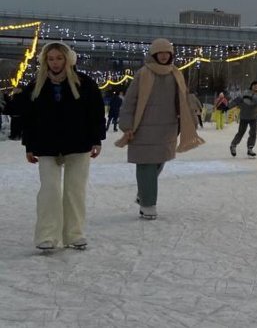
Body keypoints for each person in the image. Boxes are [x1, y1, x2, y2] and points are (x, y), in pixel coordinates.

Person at [11, 42, 105, 251]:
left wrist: (97, 140)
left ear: (67, 59)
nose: (55, 63)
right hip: (46, 145)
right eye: (51, 59)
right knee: (50, 191)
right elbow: (28, 117)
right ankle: (47, 235)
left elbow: (96, 113)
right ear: (45, 61)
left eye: (59, 58)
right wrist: (28, 146)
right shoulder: (37, 84)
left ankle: (75, 234)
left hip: (78, 143)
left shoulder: (84, 83)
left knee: (75, 191)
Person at [115, 38, 204, 220]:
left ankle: (144, 192)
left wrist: (191, 119)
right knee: (146, 165)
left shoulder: (176, 74)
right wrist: (127, 124)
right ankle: (148, 205)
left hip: (168, 127)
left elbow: (184, 98)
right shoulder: (143, 74)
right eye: (160, 53)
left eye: (167, 53)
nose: (164, 56)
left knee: (159, 161)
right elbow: (130, 101)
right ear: (154, 55)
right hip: (143, 127)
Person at [230, 81, 257, 157]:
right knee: (241, 132)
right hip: (244, 116)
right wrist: (228, 107)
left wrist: (252, 97)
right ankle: (233, 145)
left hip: (253, 117)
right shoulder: (245, 93)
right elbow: (237, 101)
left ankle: (250, 149)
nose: (256, 87)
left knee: (253, 133)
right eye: (254, 85)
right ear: (251, 86)